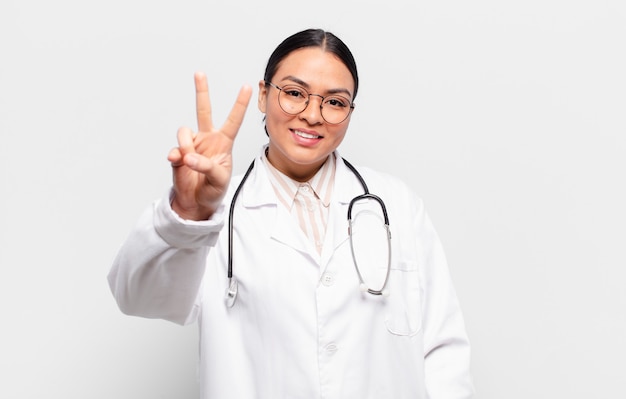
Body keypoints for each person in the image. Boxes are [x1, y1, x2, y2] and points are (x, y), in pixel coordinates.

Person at [108, 28, 475, 398]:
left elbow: (443, 351)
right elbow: (136, 296)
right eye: (295, 94)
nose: (313, 115)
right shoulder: (216, 211)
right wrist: (189, 212)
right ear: (264, 95)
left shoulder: (395, 205)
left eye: (334, 102)